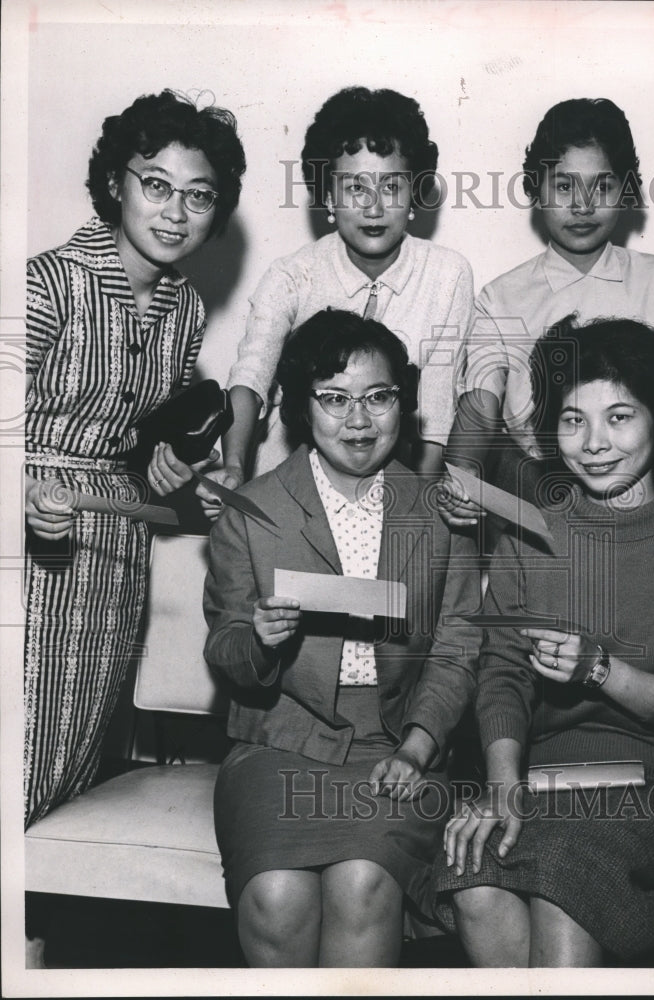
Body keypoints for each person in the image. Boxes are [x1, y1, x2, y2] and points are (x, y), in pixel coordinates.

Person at [434, 316, 654, 966]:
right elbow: (500, 674)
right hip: (553, 778)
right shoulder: (530, 532)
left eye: (618, 417)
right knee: (471, 864)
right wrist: (503, 782)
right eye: (571, 420)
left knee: (567, 858)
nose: (592, 444)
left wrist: (599, 669)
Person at [204, 309, 479, 967]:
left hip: (399, 742)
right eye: (333, 399)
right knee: (275, 897)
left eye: (378, 397)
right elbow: (227, 653)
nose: (358, 421)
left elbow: (456, 647)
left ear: (403, 405)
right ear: (301, 409)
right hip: (279, 739)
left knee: (362, 887)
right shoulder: (251, 511)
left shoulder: (440, 511)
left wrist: (417, 749)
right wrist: (261, 640)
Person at [25, 89, 246, 833]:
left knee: (77, 757)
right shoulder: (48, 283)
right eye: (156, 185)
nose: (174, 213)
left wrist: (174, 465)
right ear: (117, 182)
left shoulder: (183, 309)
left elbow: (150, 434)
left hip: (115, 550)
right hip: (26, 548)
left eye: (198, 196)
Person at [198, 85, 474, 518]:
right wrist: (233, 466)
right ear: (326, 195)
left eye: (391, 186)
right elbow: (250, 379)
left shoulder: (448, 274)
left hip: (394, 488)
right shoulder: (292, 274)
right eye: (354, 188)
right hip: (288, 493)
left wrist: (410, 514)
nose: (374, 207)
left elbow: (436, 415)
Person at [442, 97, 654, 526]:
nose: (583, 205)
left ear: (626, 190)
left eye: (602, 187)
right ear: (536, 189)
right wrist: (460, 482)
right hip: (539, 508)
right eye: (564, 186)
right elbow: (480, 408)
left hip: (642, 502)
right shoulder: (502, 297)